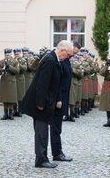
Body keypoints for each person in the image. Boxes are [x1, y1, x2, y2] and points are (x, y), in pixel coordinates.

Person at [20, 40, 73, 168]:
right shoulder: (50, 60)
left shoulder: (54, 59)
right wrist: (40, 103)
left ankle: (43, 158)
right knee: (41, 132)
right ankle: (41, 160)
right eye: (69, 55)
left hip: (46, 102)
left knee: (43, 131)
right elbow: (42, 84)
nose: (68, 57)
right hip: (41, 103)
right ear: (62, 51)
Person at [50, 41, 81, 162]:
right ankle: (57, 153)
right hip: (59, 99)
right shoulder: (62, 60)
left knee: (58, 127)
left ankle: (58, 152)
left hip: (63, 97)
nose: (73, 55)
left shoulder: (66, 60)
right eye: (73, 53)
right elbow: (57, 81)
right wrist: (58, 99)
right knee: (55, 127)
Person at [0, 48, 20, 120]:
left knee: (11, 98)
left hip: (11, 81)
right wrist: (0, 70)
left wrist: (9, 67)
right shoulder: (1, 62)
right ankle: (5, 113)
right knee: (5, 98)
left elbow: (17, 71)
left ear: (10, 54)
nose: (7, 56)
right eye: (6, 55)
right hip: (4, 81)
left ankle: (10, 113)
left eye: (8, 55)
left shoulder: (15, 62)